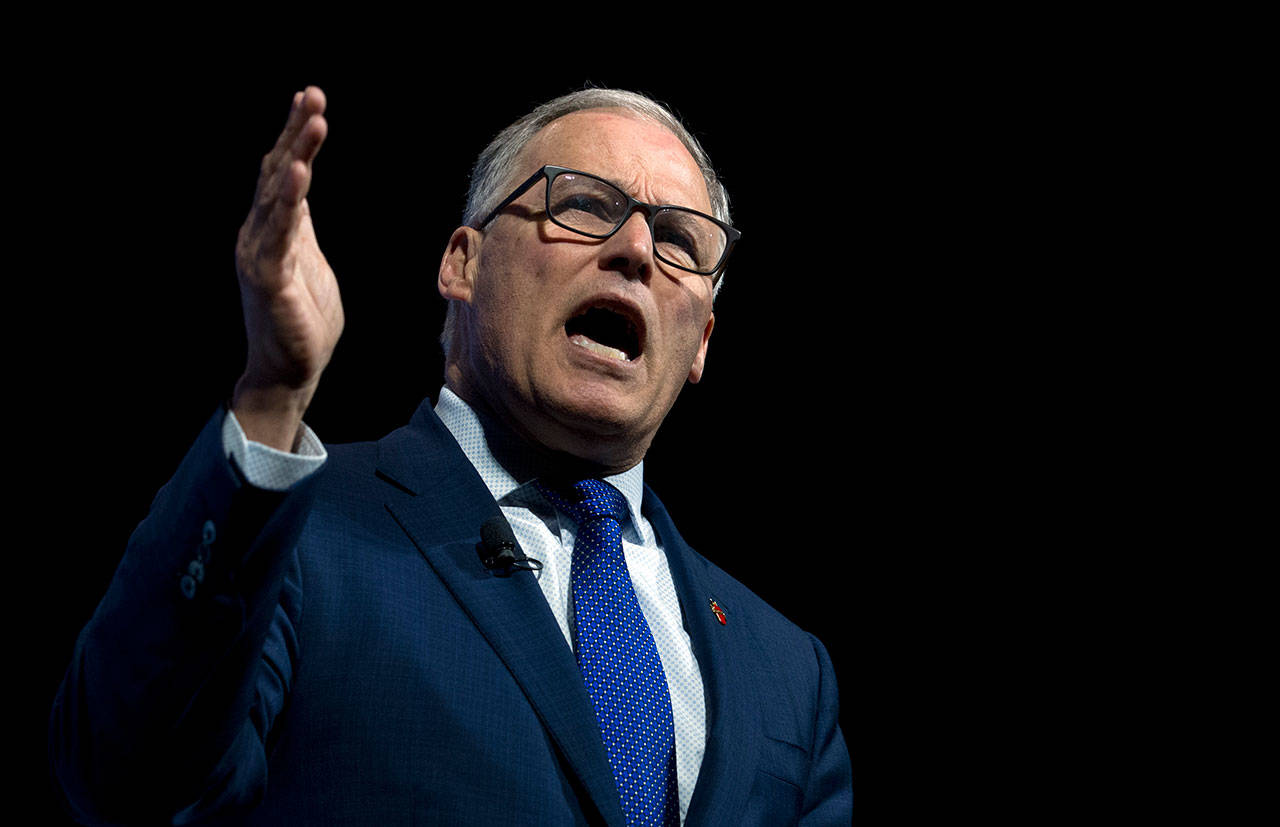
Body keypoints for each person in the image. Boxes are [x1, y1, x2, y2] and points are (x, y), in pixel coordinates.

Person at [50, 86, 852, 825]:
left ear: (702, 341)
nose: (638, 249)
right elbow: (128, 776)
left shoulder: (788, 670)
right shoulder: (297, 535)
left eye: (680, 239)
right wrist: (272, 393)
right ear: (461, 263)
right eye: (583, 204)